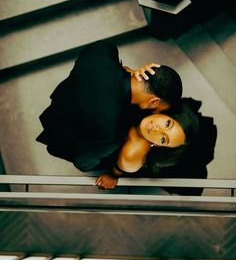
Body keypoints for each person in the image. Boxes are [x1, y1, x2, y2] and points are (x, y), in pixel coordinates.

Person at [36, 40, 183, 172]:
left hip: (60, 105)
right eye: (155, 110)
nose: (153, 115)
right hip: (63, 132)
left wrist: (129, 73)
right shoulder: (110, 134)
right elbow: (83, 164)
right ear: (153, 102)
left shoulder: (103, 50)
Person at [95, 98, 200, 189]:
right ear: (166, 112)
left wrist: (112, 176)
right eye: (168, 124)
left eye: (163, 139)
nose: (157, 130)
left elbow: (114, 172)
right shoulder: (153, 104)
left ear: (158, 145)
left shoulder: (131, 155)